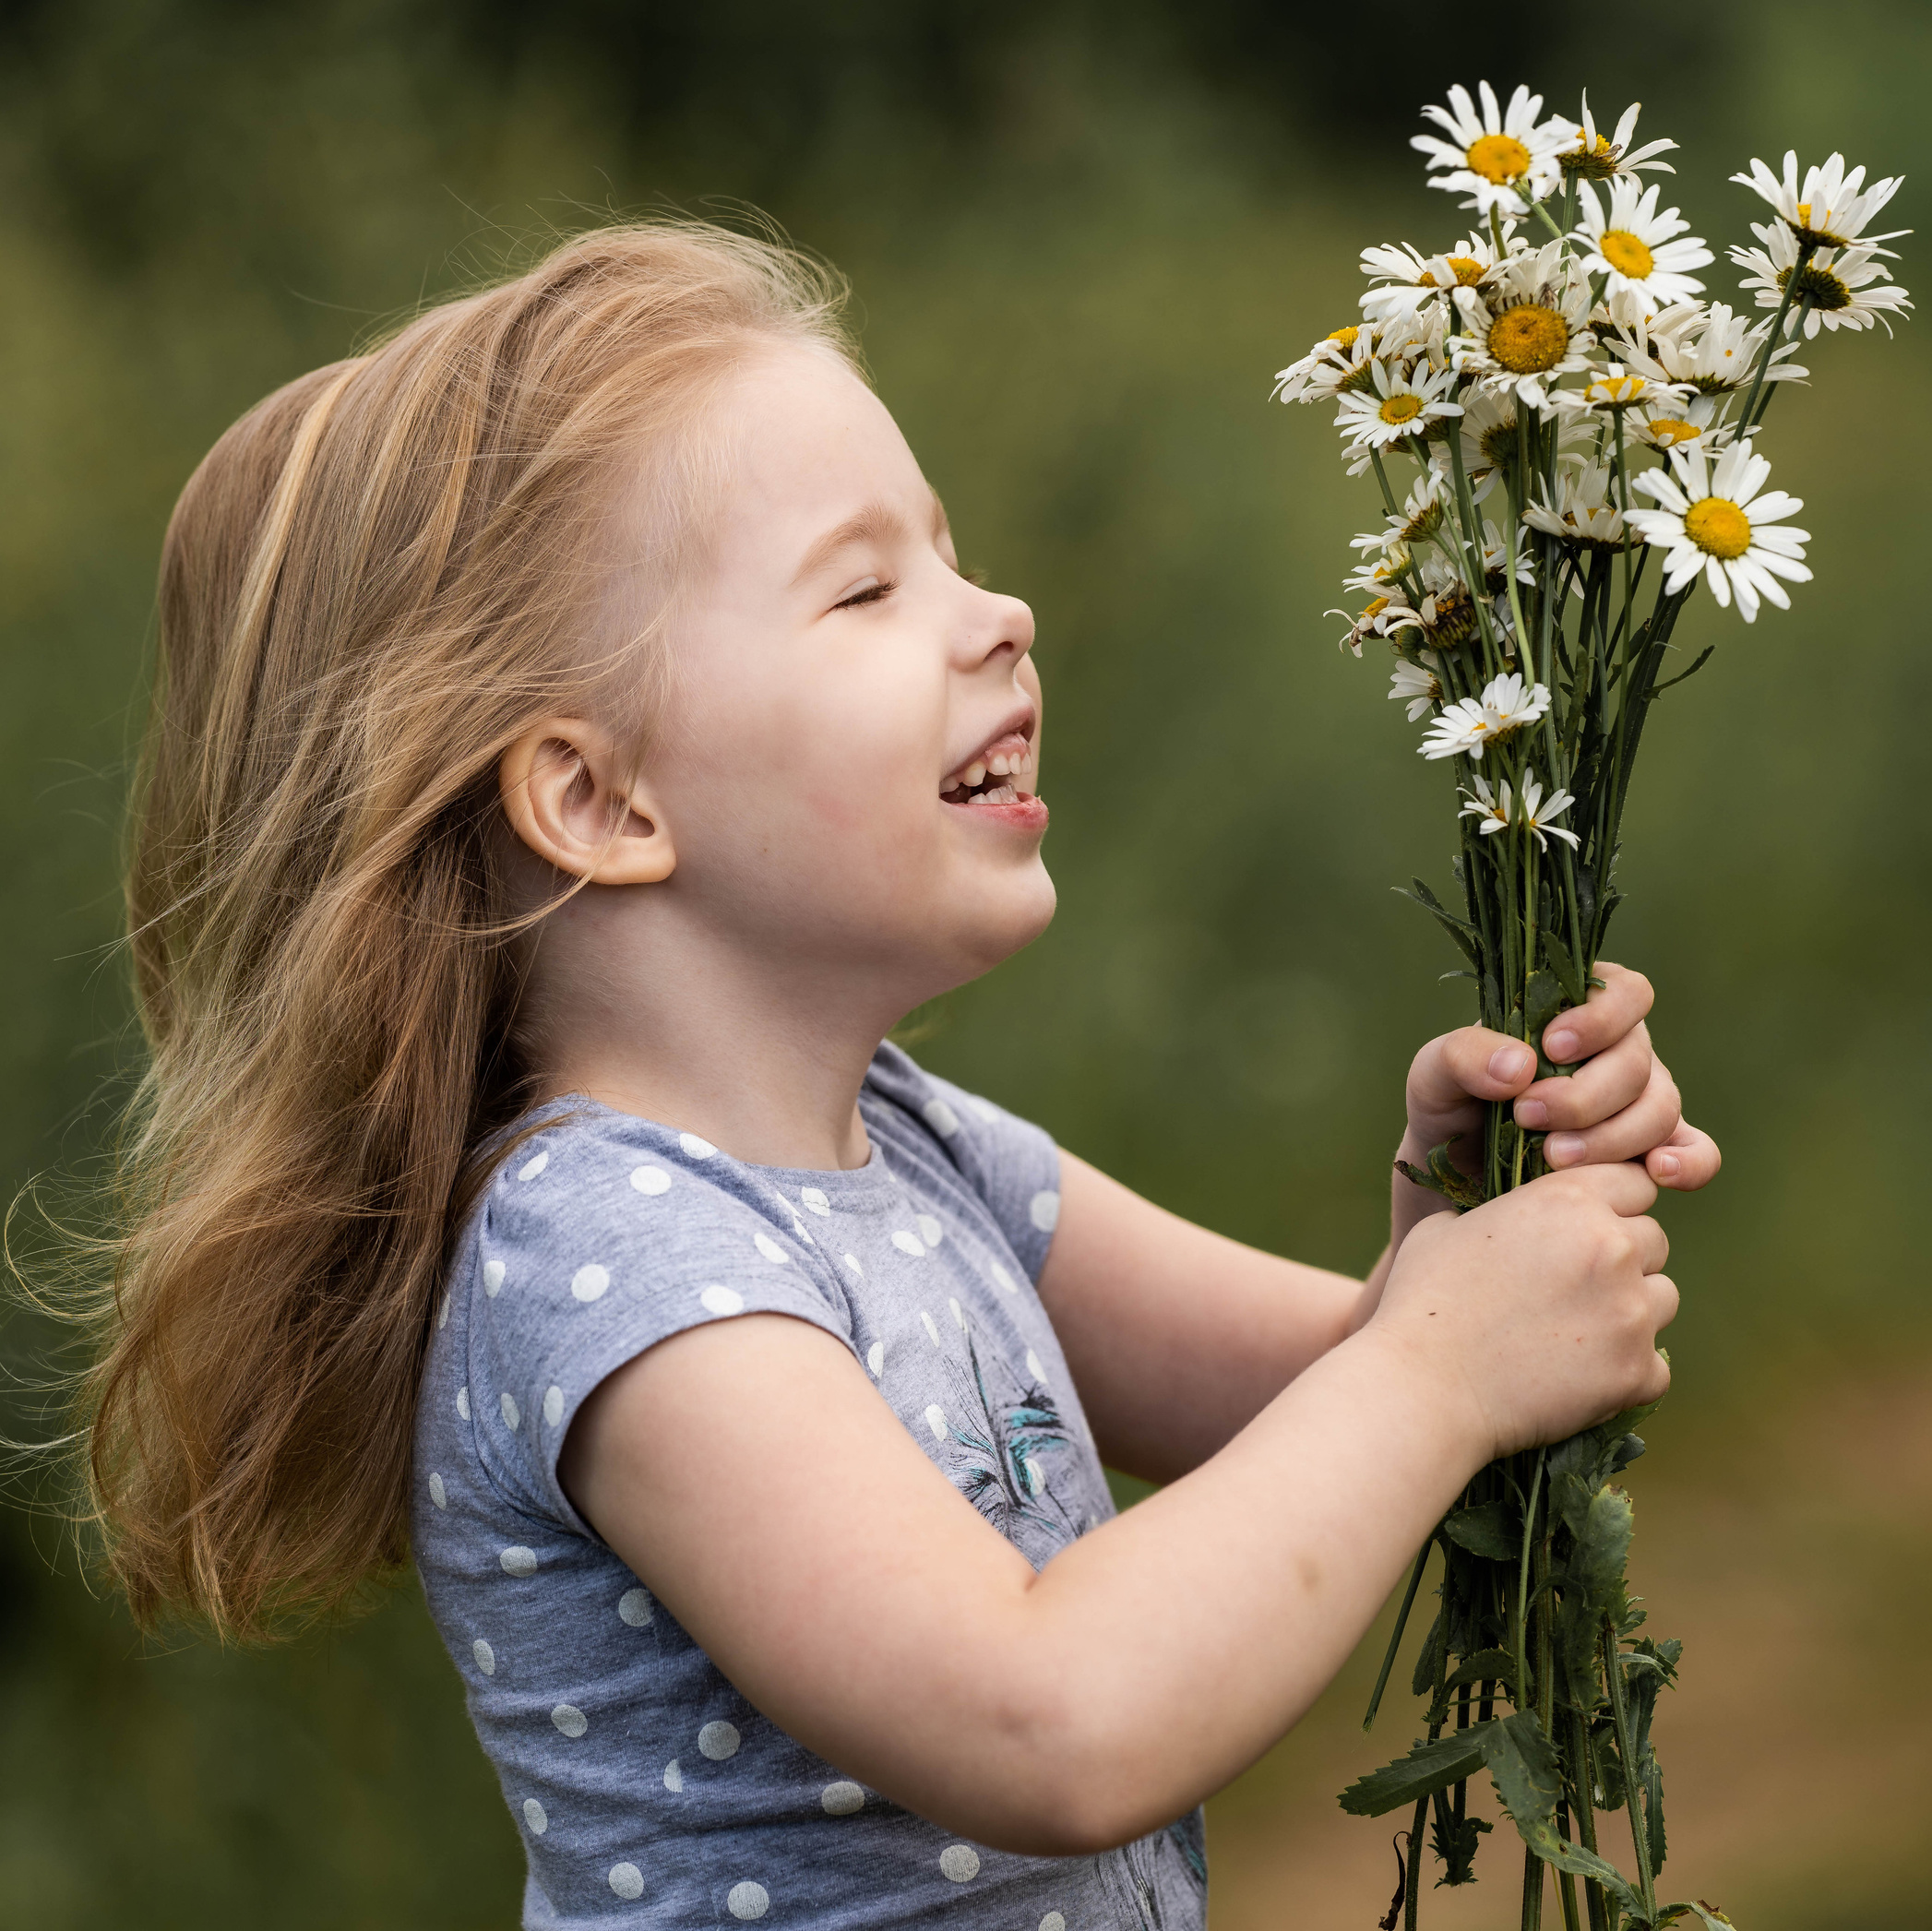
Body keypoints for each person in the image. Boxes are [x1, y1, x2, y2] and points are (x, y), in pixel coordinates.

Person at [88, 221, 1717, 1929]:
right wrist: (1446, 1363)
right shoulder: (615, 1266)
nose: (997, 612)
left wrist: (1460, 1229)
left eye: (950, 555)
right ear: (599, 803)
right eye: (866, 587)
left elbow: (1323, 1413)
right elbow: (1051, 1718)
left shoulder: (917, 1149)